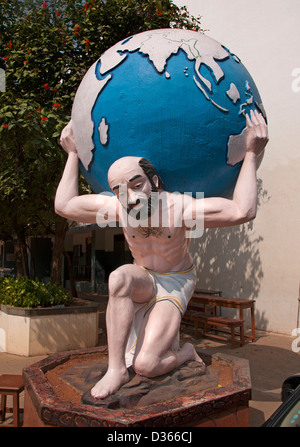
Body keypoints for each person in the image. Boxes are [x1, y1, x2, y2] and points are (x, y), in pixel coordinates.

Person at [55, 109, 268, 399]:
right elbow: (64, 205)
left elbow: (243, 210)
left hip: (175, 281)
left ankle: (186, 352)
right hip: (144, 277)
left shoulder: (180, 208)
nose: (130, 197)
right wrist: (71, 154)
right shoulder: (119, 208)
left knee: (146, 365)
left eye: (137, 184)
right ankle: (115, 368)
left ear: (154, 181)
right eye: (119, 190)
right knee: (119, 278)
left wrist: (252, 152)